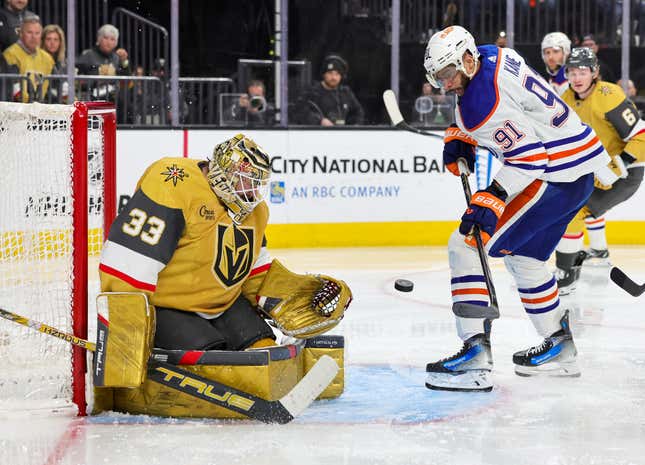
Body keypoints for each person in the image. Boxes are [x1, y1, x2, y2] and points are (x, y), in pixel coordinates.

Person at [422, 26, 609, 391]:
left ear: (466, 59)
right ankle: (558, 346)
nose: (445, 84)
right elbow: (515, 108)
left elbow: (528, 159)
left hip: (553, 175)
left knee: (466, 244)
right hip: (579, 170)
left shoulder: (480, 104)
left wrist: (492, 195)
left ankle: (474, 354)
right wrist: (462, 133)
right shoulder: (493, 53)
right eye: (439, 76)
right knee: (525, 258)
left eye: (448, 74)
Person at [99, 134, 352, 352]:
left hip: (224, 305)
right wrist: (125, 333)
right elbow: (128, 264)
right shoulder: (174, 184)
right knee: (215, 359)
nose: (252, 194)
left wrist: (287, 295)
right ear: (223, 172)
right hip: (169, 307)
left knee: (263, 352)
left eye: (257, 185)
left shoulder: (256, 212)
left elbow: (252, 271)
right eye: (247, 182)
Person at [554, 47, 645, 294]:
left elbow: (641, 137)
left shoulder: (609, 94)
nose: (576, 78)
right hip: (594, 171)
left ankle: (566, 273)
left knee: (574, 212)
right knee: (566, 206)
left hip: (627, 174)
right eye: (571, 72)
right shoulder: (566, 98)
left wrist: (618, 165)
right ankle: (590, 255)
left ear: (594, 72)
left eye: (582, 71)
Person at [295, 54, 365, 126]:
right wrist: (320, 121)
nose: (333, 77)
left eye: (337, 74)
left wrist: (355, 126)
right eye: (330, 73)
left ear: (342, 77)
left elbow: (358, 112)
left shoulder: (346, 92)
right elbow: (299, 111)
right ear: (324, 74)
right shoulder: (313, 92)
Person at [2, 14, 54, 102]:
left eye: (37, 33)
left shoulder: (47, 58)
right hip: (18, 108)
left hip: (41, 108)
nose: (33, 37)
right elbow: (13, 88)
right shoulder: (10, 55)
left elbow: (57, 86)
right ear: (21, 34)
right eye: (29, 32)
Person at [76, 24, 130, 102]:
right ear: (99, 39)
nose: (108, 42)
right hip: (92, 97)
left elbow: (127, 81)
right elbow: (78, 78)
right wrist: (98, 74)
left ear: (116, 43)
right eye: (105, 38)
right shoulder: (88, 55)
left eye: (112, 39)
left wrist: (124, 61)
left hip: (114, 99)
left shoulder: (117, 57)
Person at [541, 31, 571, 96]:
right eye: (547, 52)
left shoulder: (574, 79)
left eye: (555, 51)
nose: (550, 57)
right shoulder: (551, 79)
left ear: (566, 52)